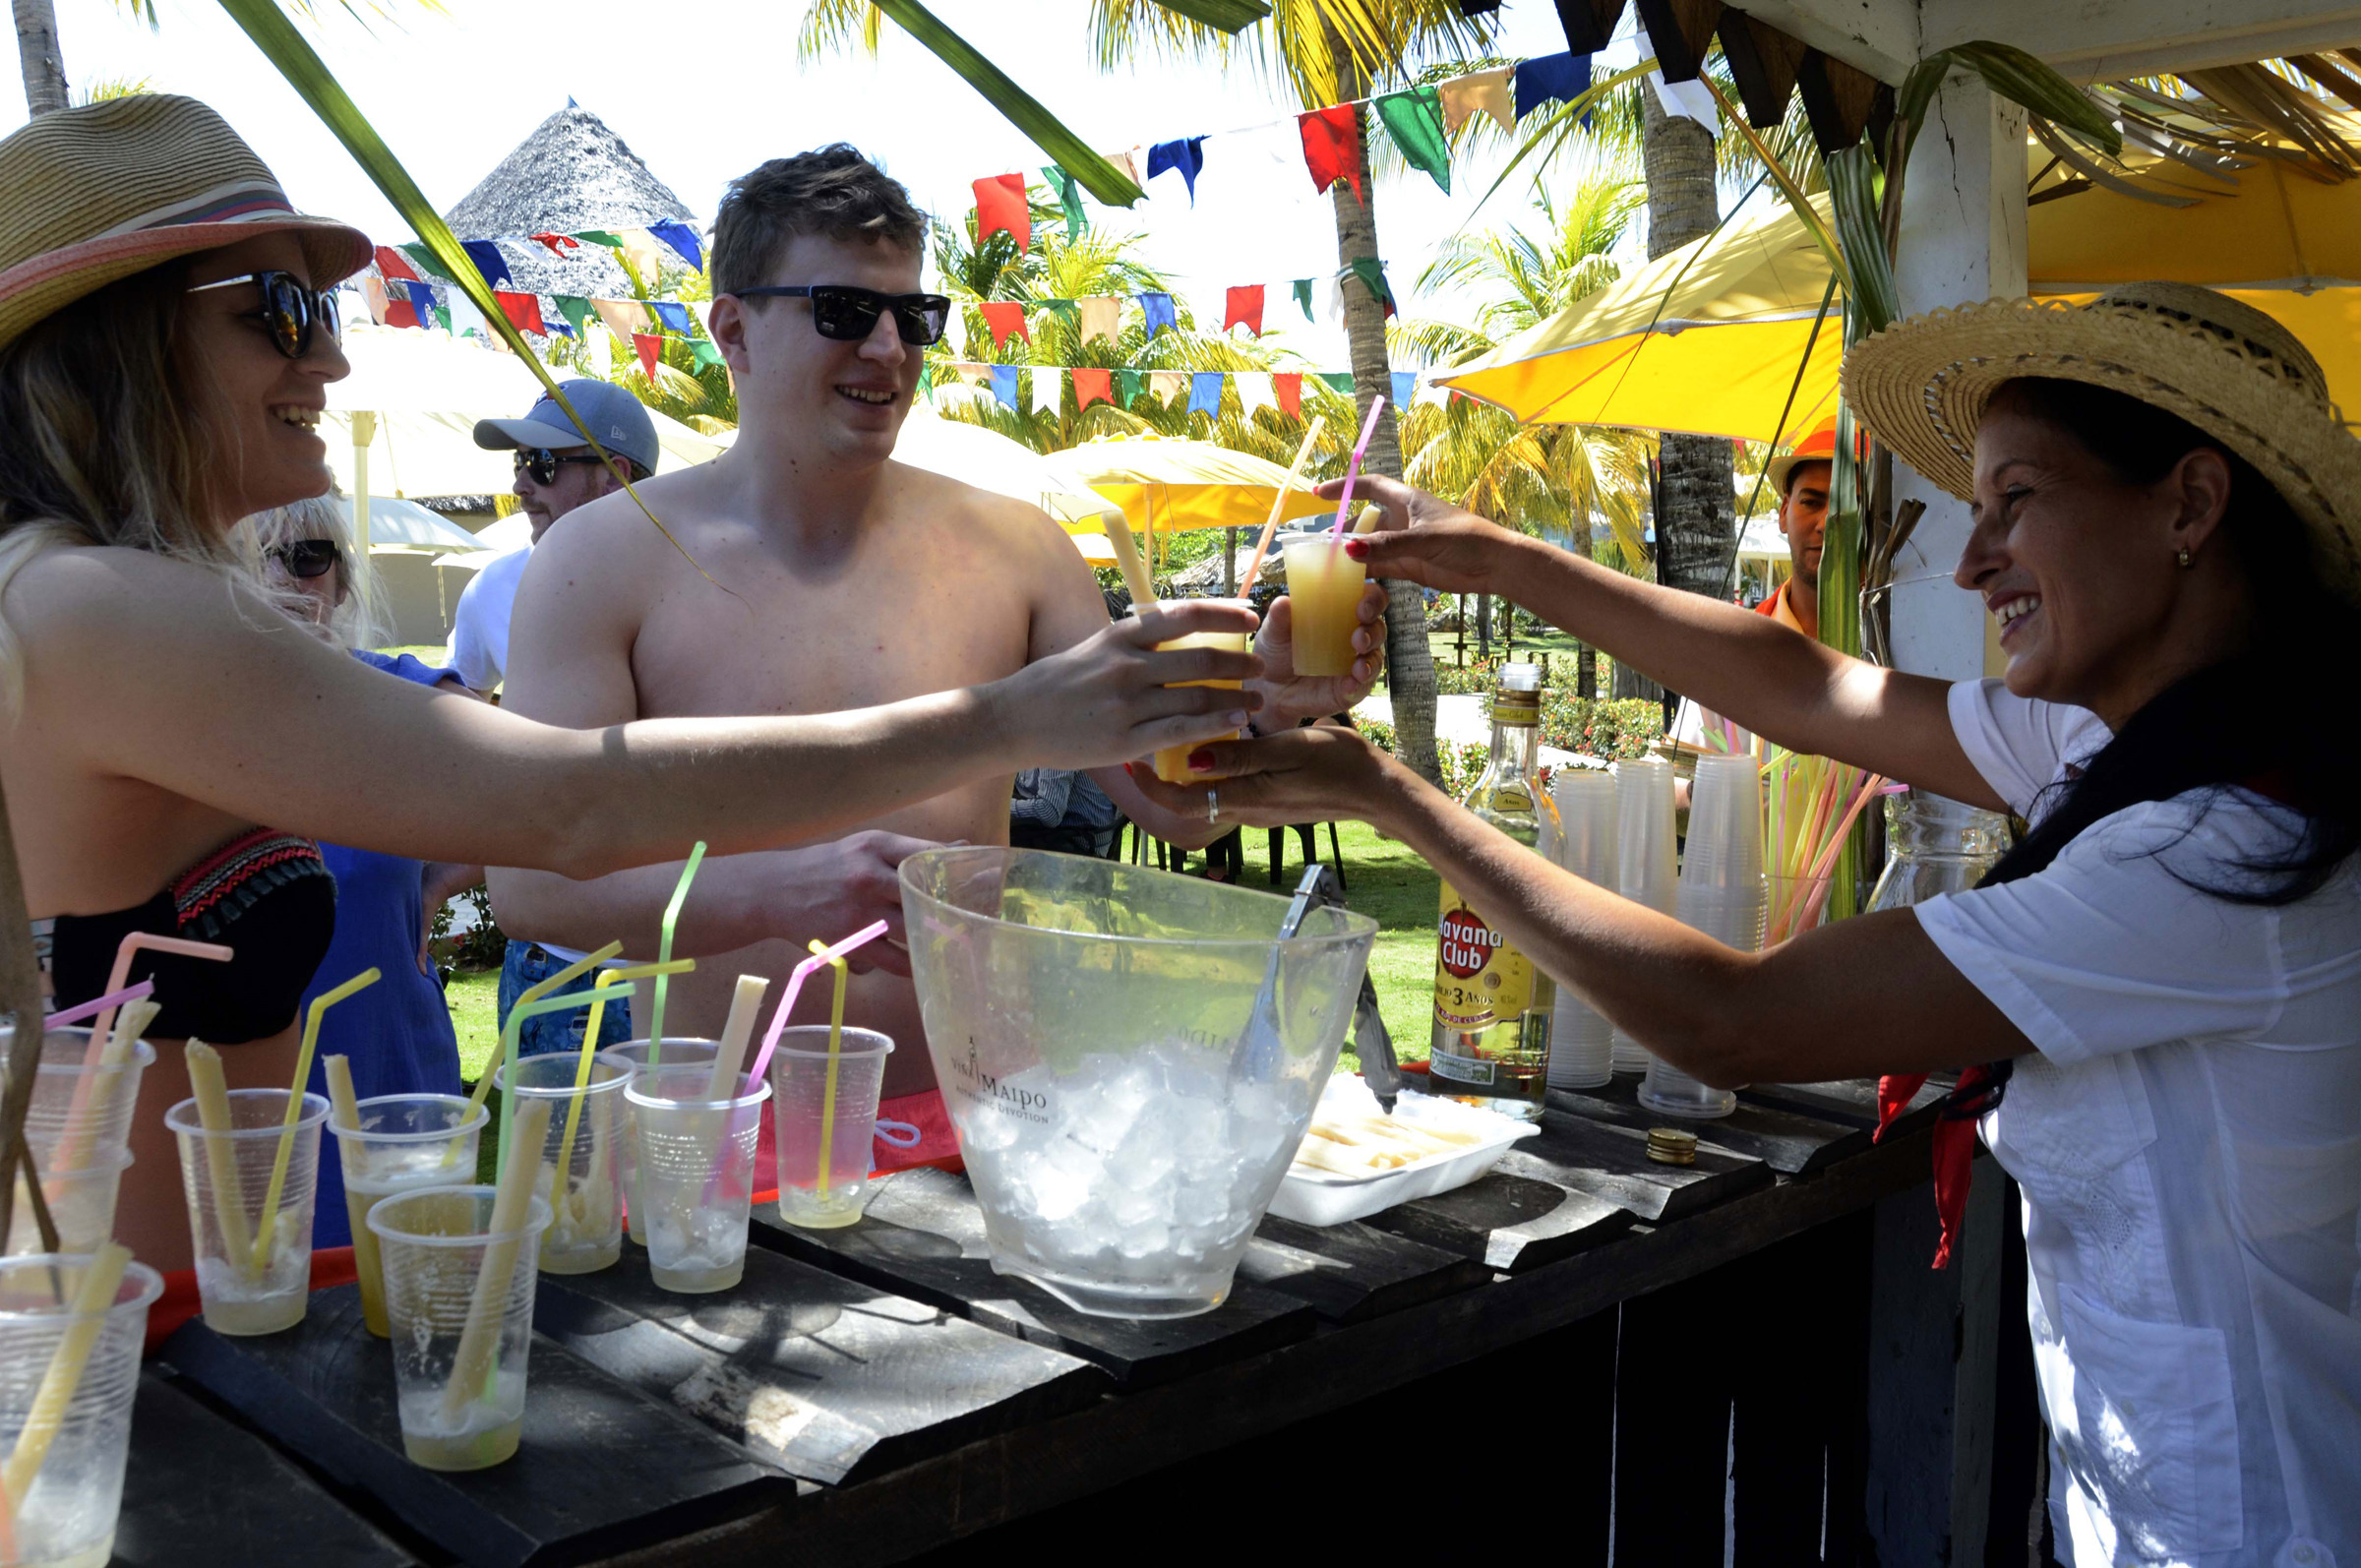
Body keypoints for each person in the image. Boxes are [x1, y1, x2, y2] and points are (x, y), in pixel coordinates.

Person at [1140, 282, 2361, 1567]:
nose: (1972, 555)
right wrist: (1499, 558)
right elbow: (1814, 683)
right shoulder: (2121, 745)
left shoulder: (2220, 847)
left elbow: (1729, 1018)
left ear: (2190, 503)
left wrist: (1385, 791)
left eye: (2019, 500)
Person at [0, 95, 1262, 1271]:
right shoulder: (90, 607)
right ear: (121, 344)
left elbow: (1177, 795)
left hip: (186, 1309)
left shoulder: (97, 598)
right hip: (112, 1337)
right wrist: (998, 720)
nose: (327, 360)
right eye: (281, 309)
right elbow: (560, 813)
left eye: (326, 314)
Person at [490, 145, 1384, 1096]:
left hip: (982, 1124)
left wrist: (1262, 712)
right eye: (842, 311)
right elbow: (536, 887)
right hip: (738, 1137)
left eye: (912, 317)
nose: (887, 348)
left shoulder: (1018, 551)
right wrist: (780, 891)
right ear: (732, 331)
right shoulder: (599, 566)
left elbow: (1176, 810)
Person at [243, 494, 478, 1245]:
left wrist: (441, 879)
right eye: (256, 555)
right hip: (251, 1068)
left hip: (389, 1053)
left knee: (413, 1281)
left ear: (341, 580)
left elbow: (525, 774)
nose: (284, 575)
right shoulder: (192, 716)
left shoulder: (396, 695)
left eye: (309, 555)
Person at [443, 379, 658, 695]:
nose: (520, 486)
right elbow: (464, 708)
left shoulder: (701, 581)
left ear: (613, 476)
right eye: (520, 462)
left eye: (543, 462)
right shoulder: (495, 586)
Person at [1665, 414, 1833, 751]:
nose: (1827, 522)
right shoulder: (1734, 654)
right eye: (1812, 502)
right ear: (1784, 512)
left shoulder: (1893, 651)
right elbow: (1677, 779)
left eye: (1849, 507)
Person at [1008, 767, 1121, 859]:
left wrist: (1000, 805)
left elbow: (1049, 812)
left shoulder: (1053, 742)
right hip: (1055, 831)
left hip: (1080, 842)